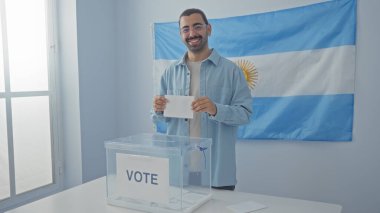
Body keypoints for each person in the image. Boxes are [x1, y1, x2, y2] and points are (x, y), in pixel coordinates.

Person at [151, 8, 252, 190]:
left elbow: (245, 114)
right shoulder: (169, 73)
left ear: (209, 29)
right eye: (186, 29)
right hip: (179, 172)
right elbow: (160, 118)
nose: (192, 33)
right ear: (181, 34)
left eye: (197, 27)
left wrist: (215, 109)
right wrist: (158, 109)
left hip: (217, 173)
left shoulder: (231, 71)